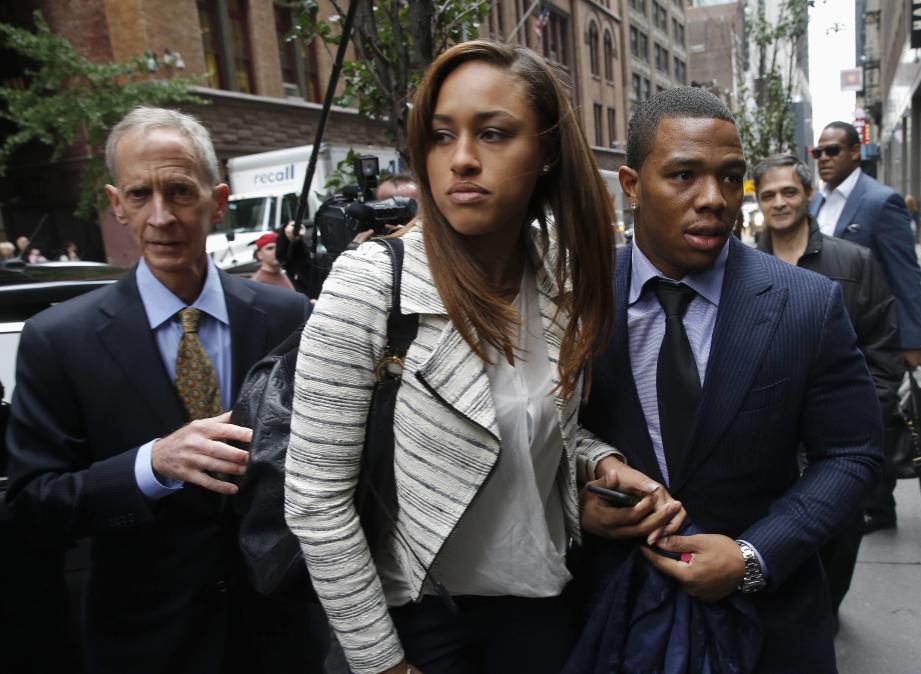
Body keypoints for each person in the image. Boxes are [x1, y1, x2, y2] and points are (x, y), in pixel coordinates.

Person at [285, 40, 682, 674]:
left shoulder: (562, 274)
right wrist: (380, 661)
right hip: (422, 623)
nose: (462, 159)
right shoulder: (370, 283)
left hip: (546, 606)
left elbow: (532, 425)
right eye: (442, 136)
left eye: (493, 133)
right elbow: (313, 498)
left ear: (546, 152)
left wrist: (596, 463)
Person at [578, 88, 883, 672]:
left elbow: (852, 454)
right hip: (608, 620)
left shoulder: (806, 305)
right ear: (632, 186)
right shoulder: (576, 300)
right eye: (684, 175)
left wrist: (752, 556)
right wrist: (576, 501)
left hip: (771, 628)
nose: (714, 199)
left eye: (730, 176)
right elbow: (543, 441)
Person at [4, 107, 314, 674]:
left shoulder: (288, 316)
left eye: (179, 191)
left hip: (281, 639)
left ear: (217, 200)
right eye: (140, 194)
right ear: (116, 204)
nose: (162, 216)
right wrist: (149, 465)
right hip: (145, 644)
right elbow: (30, 508)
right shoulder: (58, 341)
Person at [753, 153, 903, 620]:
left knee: (838, 545)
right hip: (765, 446)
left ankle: (826, 615)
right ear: (758, 203)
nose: (780, 202)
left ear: (809, 196)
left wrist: (859, 423)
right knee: (768, 549)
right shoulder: (734, 266)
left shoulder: (854, 262)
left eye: (789, 192)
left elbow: (883, 351)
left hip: (836, 448)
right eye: (769, 194)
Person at [811, 121, 921, 533]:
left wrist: (912, 340)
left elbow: (906, 274)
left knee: (873, 418)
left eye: (832, 150)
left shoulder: (882, 202)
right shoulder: (814, 203)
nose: (824, 158)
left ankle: (879, 507)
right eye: (818, 153)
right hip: (829, 332)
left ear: (854, 153)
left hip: (872, 330)